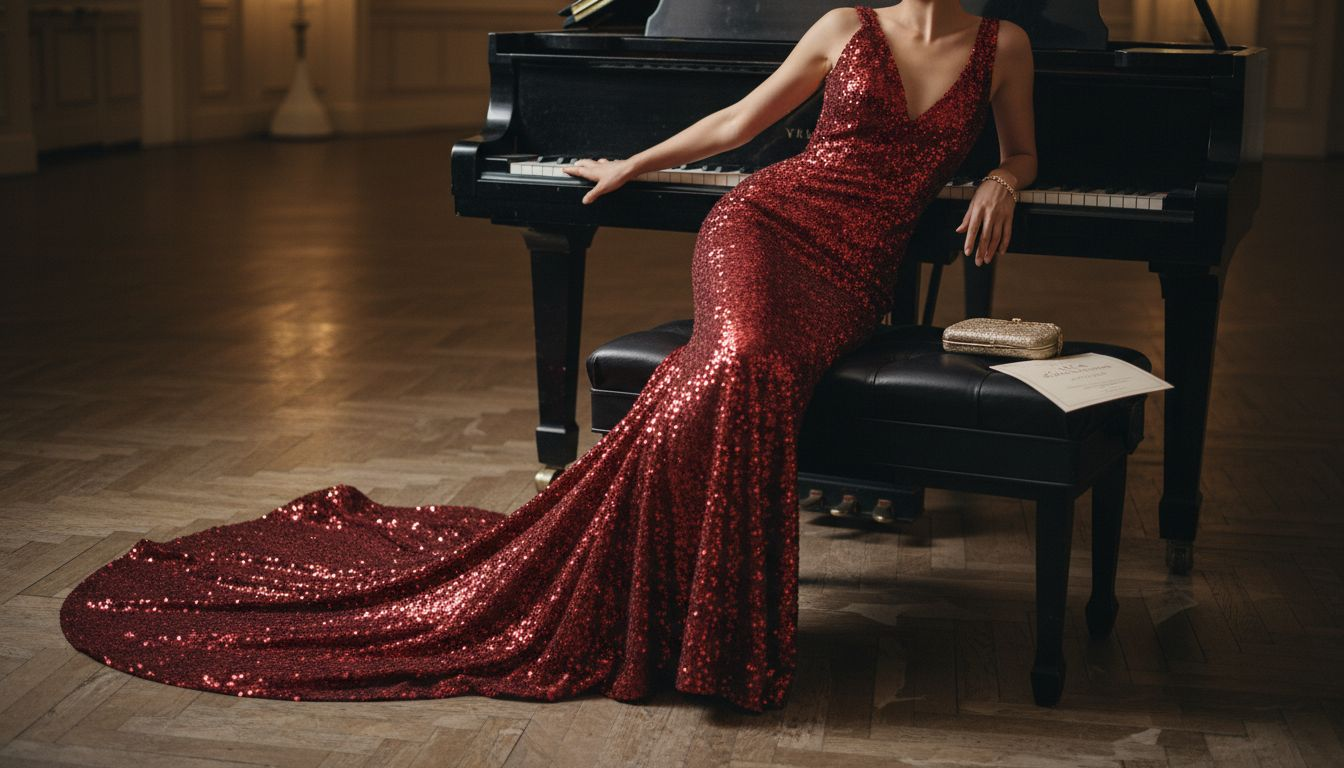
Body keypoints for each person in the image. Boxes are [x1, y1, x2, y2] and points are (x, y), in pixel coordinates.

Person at [59, 1, 1037, 713]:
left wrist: (1002, 170)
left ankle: (689, 615)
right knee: (735, 362)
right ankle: (670, 610)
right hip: (767, 227)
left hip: (854, 277)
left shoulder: (1004, 47)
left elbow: (1025, 151)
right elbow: (740, 127)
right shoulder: (842, 25)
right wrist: (631, 165)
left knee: (750, 381)